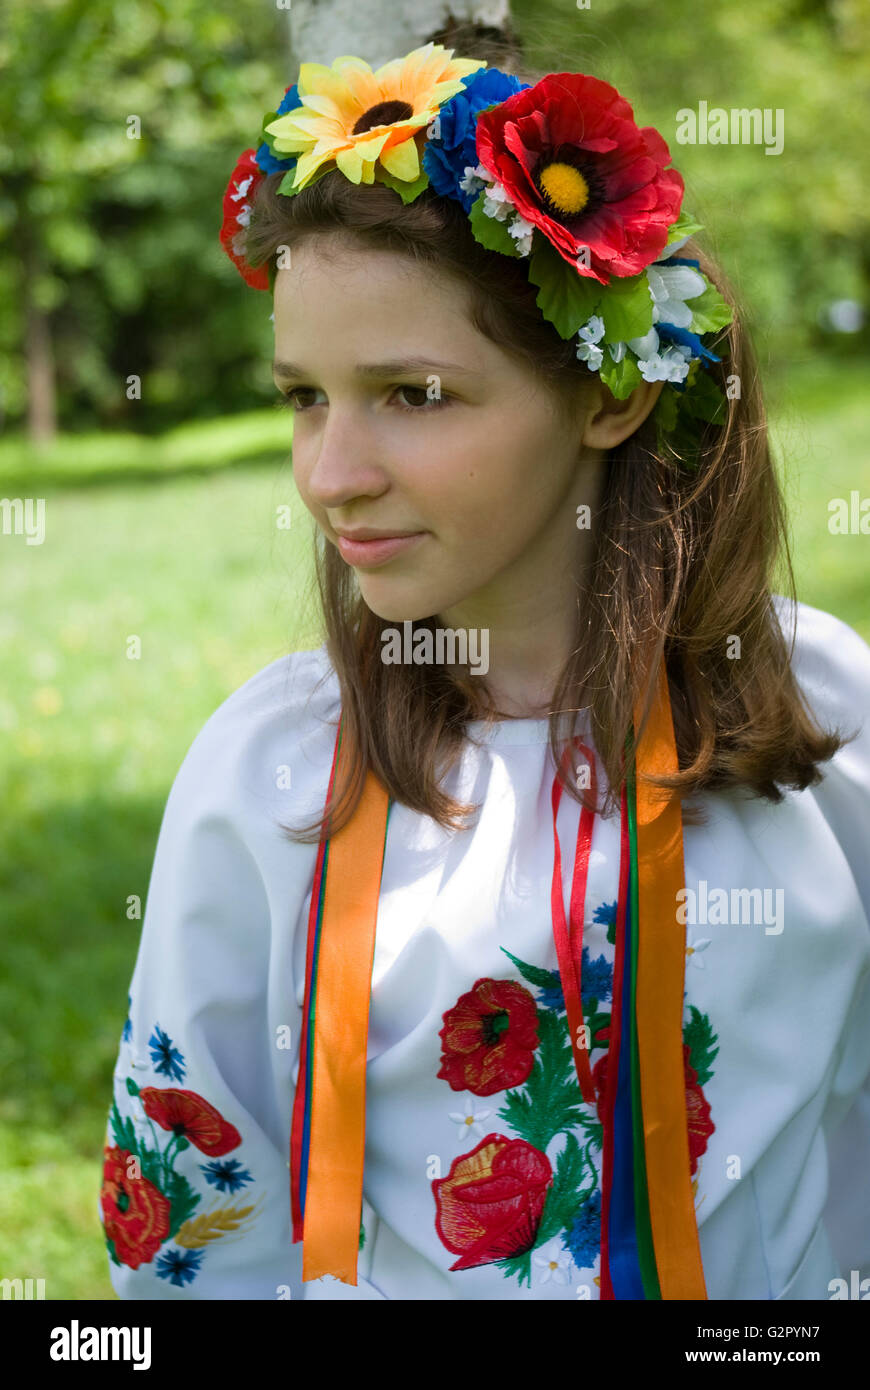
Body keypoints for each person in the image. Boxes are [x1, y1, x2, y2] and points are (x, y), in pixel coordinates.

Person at [99, 45, 870, 1301]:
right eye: (304, 397)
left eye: (413, 393)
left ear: (608, 397)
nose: (329, 473)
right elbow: (192, 1220)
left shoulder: (824, 714)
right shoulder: (272, 774)